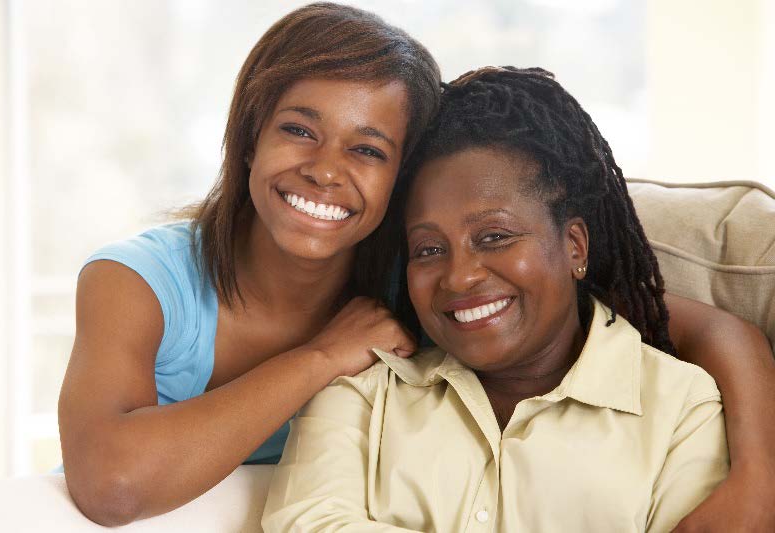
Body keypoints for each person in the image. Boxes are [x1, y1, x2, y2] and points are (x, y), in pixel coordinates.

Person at [59, 3, 775, 527]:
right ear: (249, 136)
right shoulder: (136, 281)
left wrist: (759, 480)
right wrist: (319, 357)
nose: (324, 171)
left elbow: (710, 330)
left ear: (400, 179)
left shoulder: (429, 283)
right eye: (299, 130)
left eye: (367, 149)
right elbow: (111, 484)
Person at [262, 67, 775, 532]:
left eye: (494, 238)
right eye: (429, 249)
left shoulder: (680, 410)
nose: (459, 277)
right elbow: (307, 523)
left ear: (574, 246)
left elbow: (717, 331)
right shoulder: (363, 391)